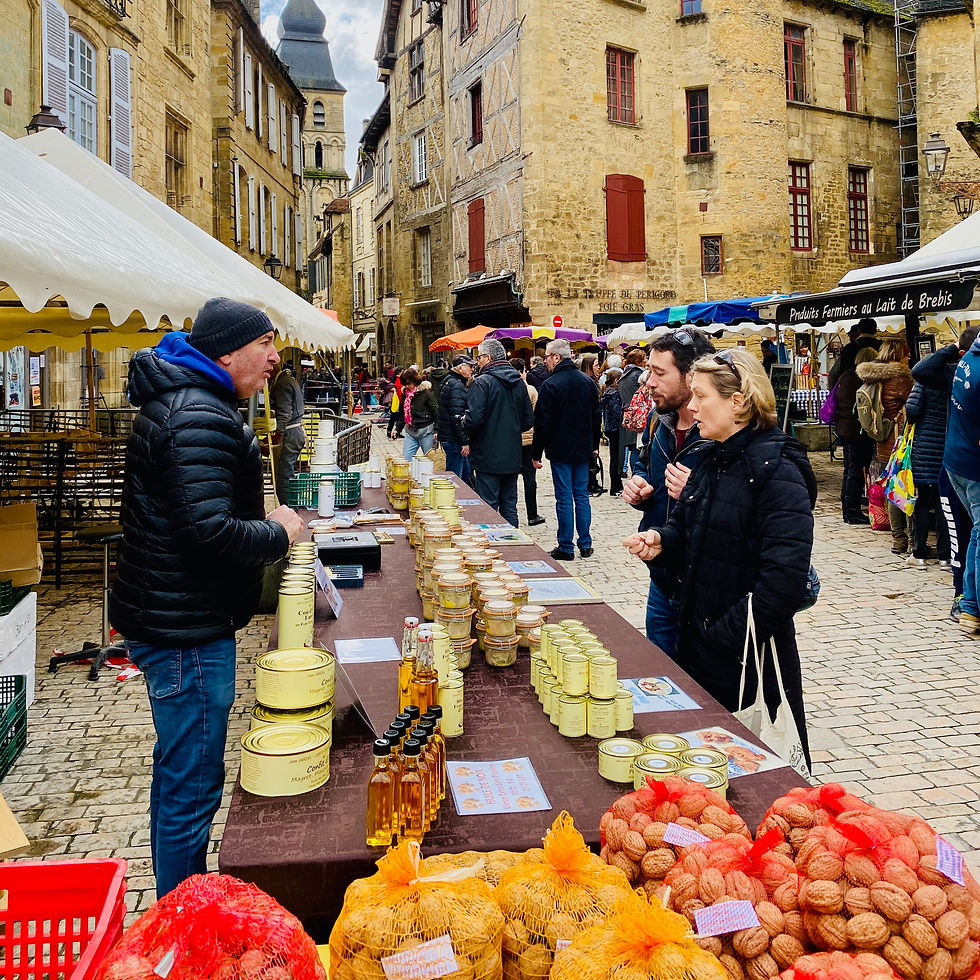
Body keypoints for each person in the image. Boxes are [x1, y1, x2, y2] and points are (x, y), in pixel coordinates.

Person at [109, 298, 303, 898]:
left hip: (177, 615)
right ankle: (183, 916)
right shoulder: (197, 413)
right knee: (191, 785)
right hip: (185, 629)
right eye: (264, 344)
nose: (275, 357)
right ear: (226, 352)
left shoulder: (191, 402)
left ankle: (178, 904)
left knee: (181, 775)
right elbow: (209, 533)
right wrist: (278, 533)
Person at [624, 347, 815, 768]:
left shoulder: (777, 472)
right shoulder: (712, 457)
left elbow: (783, 582)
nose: (692, 407)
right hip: (701, 650)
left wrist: (721, 636)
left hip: (748, 661)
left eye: (701, 396)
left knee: (746, 773)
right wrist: (661, 542)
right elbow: (687, 529)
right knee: (699, 769)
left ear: (738, 402)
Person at [623, 328, 716, 657]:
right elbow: (645, 464)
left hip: (705, 582)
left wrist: (697, 491)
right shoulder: (658, 420)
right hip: (662, 574)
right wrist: (640, 485)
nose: (649, 382)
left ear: (692, 376)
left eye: (659, 373)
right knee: (662, 671)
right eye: (649, 371)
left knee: (701, 679)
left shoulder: (721, 430)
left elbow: (746, 503)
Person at [532, 339, 601, 560]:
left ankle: (566, 546)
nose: (545, 361)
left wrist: (536, 452)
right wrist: (594, 445)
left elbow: (542, 422)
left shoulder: (551, 384)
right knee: (581, 496)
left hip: (560, 448)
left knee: (564, 498)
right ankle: (585, 543)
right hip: (582, 448)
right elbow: (596, 416)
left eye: (547, 357)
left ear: (557, 357)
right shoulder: (587, 382)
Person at [461, 339, 534, 526]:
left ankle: (492, 542)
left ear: (488, 358)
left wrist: (463, 422)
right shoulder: (519, 383)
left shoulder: (482, 382)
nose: (477, 362)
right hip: (512, 455)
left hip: (487, 454)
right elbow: (528, 421)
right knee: (509, 506)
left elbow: (474, 419)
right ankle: (513, 542)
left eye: (479, 357)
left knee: (488, 507)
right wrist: (511, 430)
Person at [856, 339, 913, 554]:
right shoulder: (900, 378)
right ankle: (912, 539)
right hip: (901, 442)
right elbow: (916, 404)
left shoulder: (873, 376)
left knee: (892, 489)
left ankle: (898, 538)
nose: (909, 357)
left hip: (882, 441)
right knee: (906, 489)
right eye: (906, 353)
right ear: (899, 354)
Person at [944, 330, 980, 637]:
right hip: (972, 464)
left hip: (956, 458)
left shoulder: (969, 357)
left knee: (978, 533)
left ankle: (970, 607)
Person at [832, 320, 880, 525]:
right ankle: (851, 511)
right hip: (857, 429)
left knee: (850, 468)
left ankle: (848, 506)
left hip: (845, 426)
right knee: (856, 469)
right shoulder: (861, 379)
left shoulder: (845, 374)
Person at [510, 356, 546, 526]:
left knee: (510, 477)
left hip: (511, 440)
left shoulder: (507, 389)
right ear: (521, 372)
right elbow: (537, 415)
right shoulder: (530, 390)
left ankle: (509, 511)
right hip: (529, 439)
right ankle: (532, 514)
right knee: (529, 477)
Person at [269, 363, 306, 504]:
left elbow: (285, 414)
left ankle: (289, 508)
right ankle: (291, 507)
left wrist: (277, 435)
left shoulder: (282, 384)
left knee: (283, 477)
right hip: (294, 431)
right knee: (286, 474)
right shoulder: (287, 380)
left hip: (290, 433)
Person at [438, 354, 475, 482]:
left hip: (450, 436)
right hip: (454, 439)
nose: (472, 370)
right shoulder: (457, 385)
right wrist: (464, 442)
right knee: (455, 479)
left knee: (465, 476)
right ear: (460, 368)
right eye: (469, 366)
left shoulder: (449, 380)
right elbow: (457, 416)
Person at [617, 349, 648, 478]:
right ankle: (638, 475)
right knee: (638, 448)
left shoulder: (623, 376)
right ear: (638, 361)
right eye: (644, 358)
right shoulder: (639, 375)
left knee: (633, 448)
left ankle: (635, 475)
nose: (646, 360)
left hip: (628, 415)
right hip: (641, 415)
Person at [580, 354, 606, 496]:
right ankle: (591, 483)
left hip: (594, 420)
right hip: (590, 422)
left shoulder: (593, 381)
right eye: (596, 365)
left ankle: (593, 481)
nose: (598, 367)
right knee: (591, 456)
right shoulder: (588, 382)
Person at [400, 368, 438, 461]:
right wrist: (398, 428)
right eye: (405, 384)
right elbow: (403, 412)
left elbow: (436, 411)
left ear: (415, 381)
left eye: (409, 383)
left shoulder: (426, 392)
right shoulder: (405, 393)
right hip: (411, 431)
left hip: (426, 430)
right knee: (406, 459)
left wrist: (436, 430)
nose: (407, 386)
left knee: (429, 460)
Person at [601, 367, 624, 497]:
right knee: (616, 458)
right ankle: (615, 486)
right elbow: (617, 412)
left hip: (609, 428)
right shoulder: (614, 394)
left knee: (614, 457)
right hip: (615, 428)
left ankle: (617, 485)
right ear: (616, 381)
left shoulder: (607, 392)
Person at [387, 367, 405, 439]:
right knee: (395, 416)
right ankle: (392, 431)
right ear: (399, 372)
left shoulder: (395, 379)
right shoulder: (397, 379)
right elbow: (399, 389)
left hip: (397, 400)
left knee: (396, 416)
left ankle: (395, 431)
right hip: (397, 400)